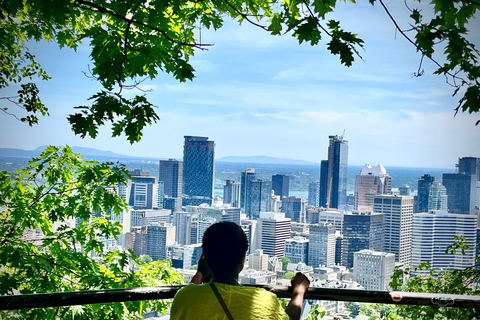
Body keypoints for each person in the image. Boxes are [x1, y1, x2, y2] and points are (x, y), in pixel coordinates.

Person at [170, 221, 310, 320]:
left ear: (205, 259)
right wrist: (299, 290)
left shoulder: (184, 297)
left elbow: (192, 293)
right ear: (242, 261)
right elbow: (291, 318)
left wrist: (200, 274)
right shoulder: (264, 300)